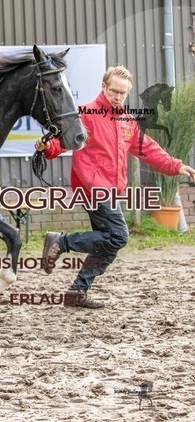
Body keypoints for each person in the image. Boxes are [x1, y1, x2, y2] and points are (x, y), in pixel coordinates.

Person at [37, 65, 195, 309]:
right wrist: (47, 147)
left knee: (107, 244)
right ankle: (61, 241)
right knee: (119, 236)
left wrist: (176, 166)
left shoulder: (126, 120)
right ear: (103, 87)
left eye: (123, 93)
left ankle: (77, 292)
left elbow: (147, 148)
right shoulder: (86, 114)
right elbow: (62, 142)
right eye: (114, 91)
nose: (118, 97)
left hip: (111, 190)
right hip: (92, 188)